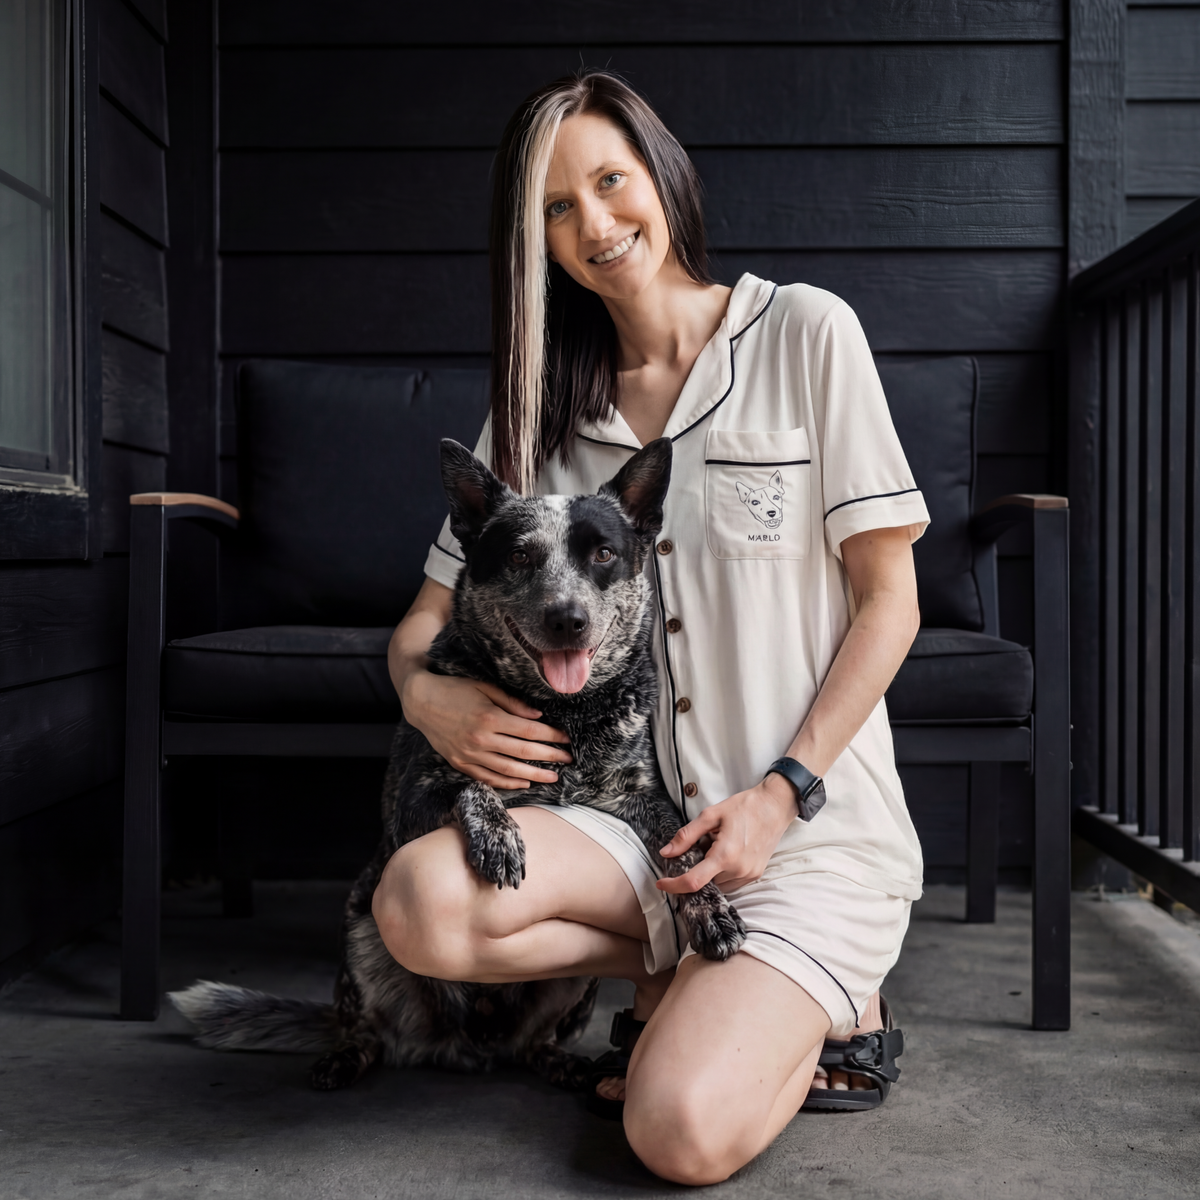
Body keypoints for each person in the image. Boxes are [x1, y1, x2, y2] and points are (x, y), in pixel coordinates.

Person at [372, 70, 928, 1186]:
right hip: (634, 831)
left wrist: (783, 795)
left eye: (610, 181)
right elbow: (421, 622)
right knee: (420, 904)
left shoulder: (807, 334)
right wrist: (425, 695)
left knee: (674, 1134)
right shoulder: (540, 404)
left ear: (663, 175)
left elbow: (890, 604)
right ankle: (692, 975)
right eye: (556, 210)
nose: (595, 225)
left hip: (800, 830)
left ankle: (822, 1001)